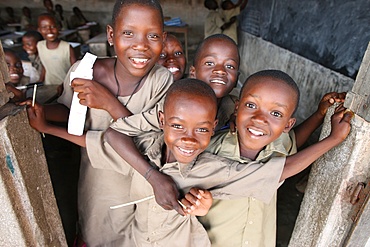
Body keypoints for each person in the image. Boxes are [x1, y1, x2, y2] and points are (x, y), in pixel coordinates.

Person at [22, 0, 172, 245]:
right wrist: (40, 110)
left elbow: (146, 143)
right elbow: (71, 112)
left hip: (146, 185)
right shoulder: (84, 71)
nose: (141, 45)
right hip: (99, 183)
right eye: (128, 33)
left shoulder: (162, 81)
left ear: (163, 39)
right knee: (97, 234)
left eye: (152, 35)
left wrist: (108, 102)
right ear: (111, 35)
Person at [100, 78, 286, 246]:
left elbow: (273, 172)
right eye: (178, 126)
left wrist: (202, 206)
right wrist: (152, 176)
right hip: (139, 239)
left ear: (213, 128)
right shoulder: (149, 146)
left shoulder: (209, 165)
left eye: (202, 130)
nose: (188, 139)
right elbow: (113, 134)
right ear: (162, 120)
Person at [198, 70, 350, 247]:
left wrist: (319, 115)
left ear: (287, 124)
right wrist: (334, 139)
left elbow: (292, 143)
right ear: (237, 108)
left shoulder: (276, 145)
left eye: (276, 113)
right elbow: (283, 169)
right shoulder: (211, 153)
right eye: (252, 105)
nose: (260, 119)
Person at [189, 34, 240, 131]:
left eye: (229, 66)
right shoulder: (177, 104)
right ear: (193, 73)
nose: (220, 70)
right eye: (209, 63)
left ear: (237, 78)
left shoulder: (237, 109)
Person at [36, 13, 77, 87]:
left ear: (59, 28)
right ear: (39, 30)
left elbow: (75, 70)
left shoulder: (67, 47)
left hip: (66, 86)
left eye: (53, 26)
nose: (49, 31)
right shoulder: (39, 45)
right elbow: (44, 65)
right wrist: (40, 81)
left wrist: (65, 84)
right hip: (48, 85)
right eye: (44, 27)